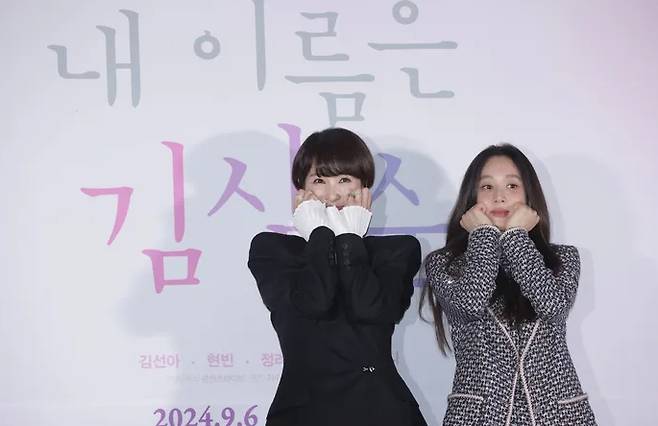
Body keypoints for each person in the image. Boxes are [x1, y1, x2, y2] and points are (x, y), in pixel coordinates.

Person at [248, 128, 427, 425]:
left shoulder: (397, 249)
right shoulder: (274, 250)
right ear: (301, 189)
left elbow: (368, 307)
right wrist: (320, 234)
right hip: (303, 410)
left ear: (364, 187)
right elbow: (313, 302)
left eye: (344, 179)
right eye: (319, 180)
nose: (332, 194)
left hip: (380, 409)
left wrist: (349, 238)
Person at [421, 144, 597, 425]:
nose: (499, 197)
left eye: (512, 185)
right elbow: (469, 305)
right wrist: (483, 236)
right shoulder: (444, 263)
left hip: (558, 414)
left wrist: (516, 238)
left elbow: (553, 308)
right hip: (479, 416)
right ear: (472, 197)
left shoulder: (563, 259)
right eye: (486, 187)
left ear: (529, 195)